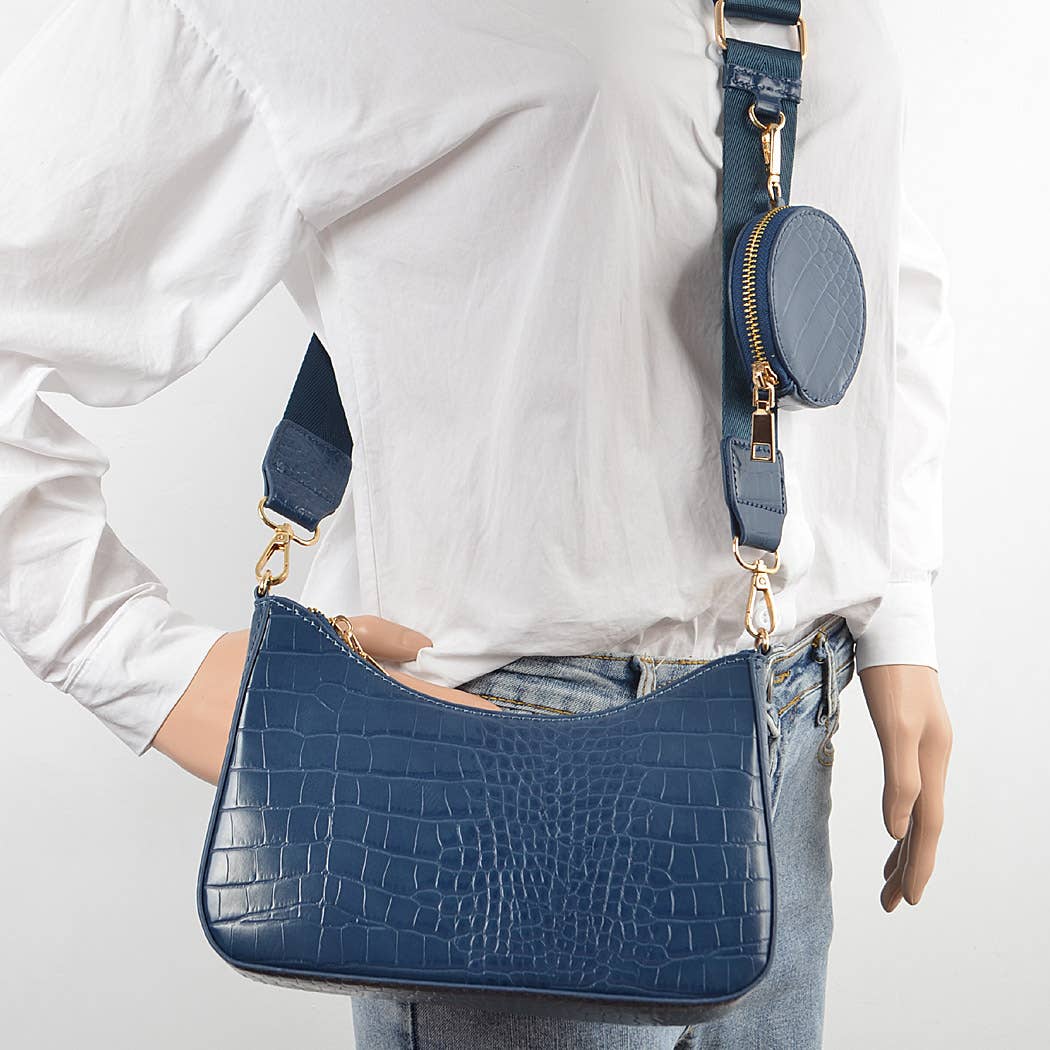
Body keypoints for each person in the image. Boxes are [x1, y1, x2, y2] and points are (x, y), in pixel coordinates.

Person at [0, 2, 953, 1048]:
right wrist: (149, 669)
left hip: (794, 720)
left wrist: (896, 610)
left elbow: (862, 249)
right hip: (504, 784)